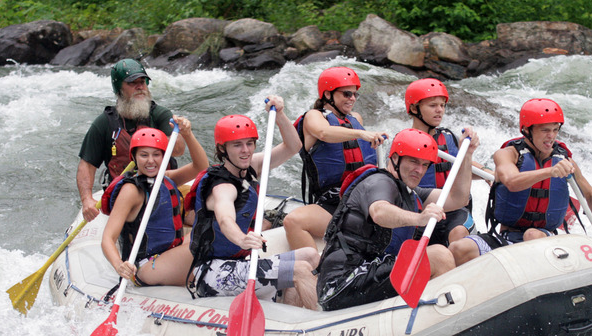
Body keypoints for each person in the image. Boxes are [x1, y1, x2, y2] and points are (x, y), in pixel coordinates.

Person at [316, 128, 479, 311]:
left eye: (425, 165)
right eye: (413, 161)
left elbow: (458, 199)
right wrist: (420, 218)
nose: (419, 170)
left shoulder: (410, 192)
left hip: (372, 272)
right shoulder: (378, 182)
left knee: (435, 255)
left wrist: (467, 155)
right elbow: (379, 211)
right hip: (341, 283)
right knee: (438, 256)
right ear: (394, 158)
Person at [186, 96, 319, 310]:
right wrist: (242, 239)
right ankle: (316, 322)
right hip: (212, 272)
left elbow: (293, 146)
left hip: (242, 264)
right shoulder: (222, 187)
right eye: (237, 145)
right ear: (223, 149)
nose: (245, 150)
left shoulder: (250, 167)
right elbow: (225, 218)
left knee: (310, 255)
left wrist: (281, 114)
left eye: (249, 143)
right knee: (300, 269)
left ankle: (290, 314)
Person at [449, 98, 592, 267]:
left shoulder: (565, 161)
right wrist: (550, 172)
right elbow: (512, 182)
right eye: (545, 130)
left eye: (555, 130)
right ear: (527, 130)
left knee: (532, 235)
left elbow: (590, 195)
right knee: (458, 248)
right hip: (505, 238)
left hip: (545, 239)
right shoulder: (506, 154)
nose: (551, 136)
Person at [283, 66, 388, 250]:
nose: (352, 99)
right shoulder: (313, 116)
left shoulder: (355, 118)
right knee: (293, 221)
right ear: (327, 94)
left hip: (364, 198)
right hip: (333, 203)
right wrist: (362, 134)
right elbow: (323, 133)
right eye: (347, 94)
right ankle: (314, 272)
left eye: (355, 95)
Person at [100, 116, 208, 286]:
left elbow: (201, 167)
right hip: (146, 266)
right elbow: (107, 238)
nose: (151, 161)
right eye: (144, 155)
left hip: (169, 254)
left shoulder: (165, 179)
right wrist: (119, 265)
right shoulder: (131, 191)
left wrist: (187, 134)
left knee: (213, 228)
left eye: (156, 155)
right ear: (134, 158)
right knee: (208, 240)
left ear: (164, 156)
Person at [78, 58, 186, 223]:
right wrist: (87, 200)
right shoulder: (104, 123)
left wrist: (180, 131)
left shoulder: (160, 115)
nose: (140, 87)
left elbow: (178, 150)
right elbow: (87, 165)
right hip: (124, 196)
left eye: (142, 82)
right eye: (132, 83)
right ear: (119, 89)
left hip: (160, 189)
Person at [405, 78, 493, 246]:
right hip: (422, 211)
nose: (439, 110)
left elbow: (460, 165)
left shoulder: (447, 136)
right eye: (432, 105)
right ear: (415, 108)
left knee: (459, 234)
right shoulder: (405, 142)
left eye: (442, 105)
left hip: (454, 210)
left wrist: (486, 172)